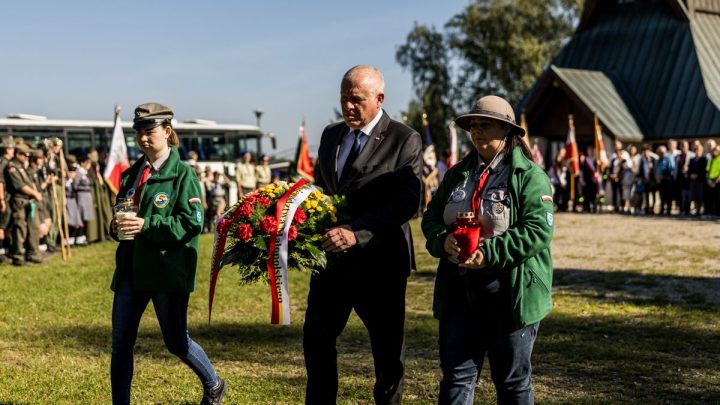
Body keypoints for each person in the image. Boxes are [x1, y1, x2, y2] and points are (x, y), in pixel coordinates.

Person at [422, 95, 554, 404]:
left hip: (508, 291)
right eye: (473, 126)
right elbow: (430, 217)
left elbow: (537, 231)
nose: (478, 131)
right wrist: (442, 239)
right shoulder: (456, 174)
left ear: (507, 131)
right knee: (456, 378)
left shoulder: (530, 177)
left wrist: (489, 252)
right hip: (458, 291)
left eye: (486, 125)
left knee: (512, 383)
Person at [305, 65, 423, 404]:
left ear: (379, 99)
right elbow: (322, 190)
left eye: (356, 100)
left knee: (387, 356)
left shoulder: (404, 138)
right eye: (344, 99)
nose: (348, 107)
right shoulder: (331, 135)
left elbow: (407, 202)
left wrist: (358, 233)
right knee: (316, 340)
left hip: (380, 266)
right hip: (331, 265)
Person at [109, 102, 226, 405]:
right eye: (139, 133)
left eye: (149, 131)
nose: (144, 138)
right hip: (130, 271)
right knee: (121, 344)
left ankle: (214, 384)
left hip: (166, 271)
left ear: (167, 131)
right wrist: (116, 226)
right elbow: (122, 213)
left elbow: (192, 223)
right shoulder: (133, 174)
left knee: (176, 343)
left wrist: (148, 224)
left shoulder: (182, 175)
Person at [5, 142, 44, 266]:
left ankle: (32, 253)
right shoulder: (12, 167)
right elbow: (20, 186)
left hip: (28, 201)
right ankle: (18, 255)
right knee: (20, 229)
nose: (27, 157)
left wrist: (35, 192)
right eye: (24, 155)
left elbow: (29, 182)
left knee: (32, 228)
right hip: (19, 201)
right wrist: (35, 193)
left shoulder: (22, 167)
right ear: (18, 154)